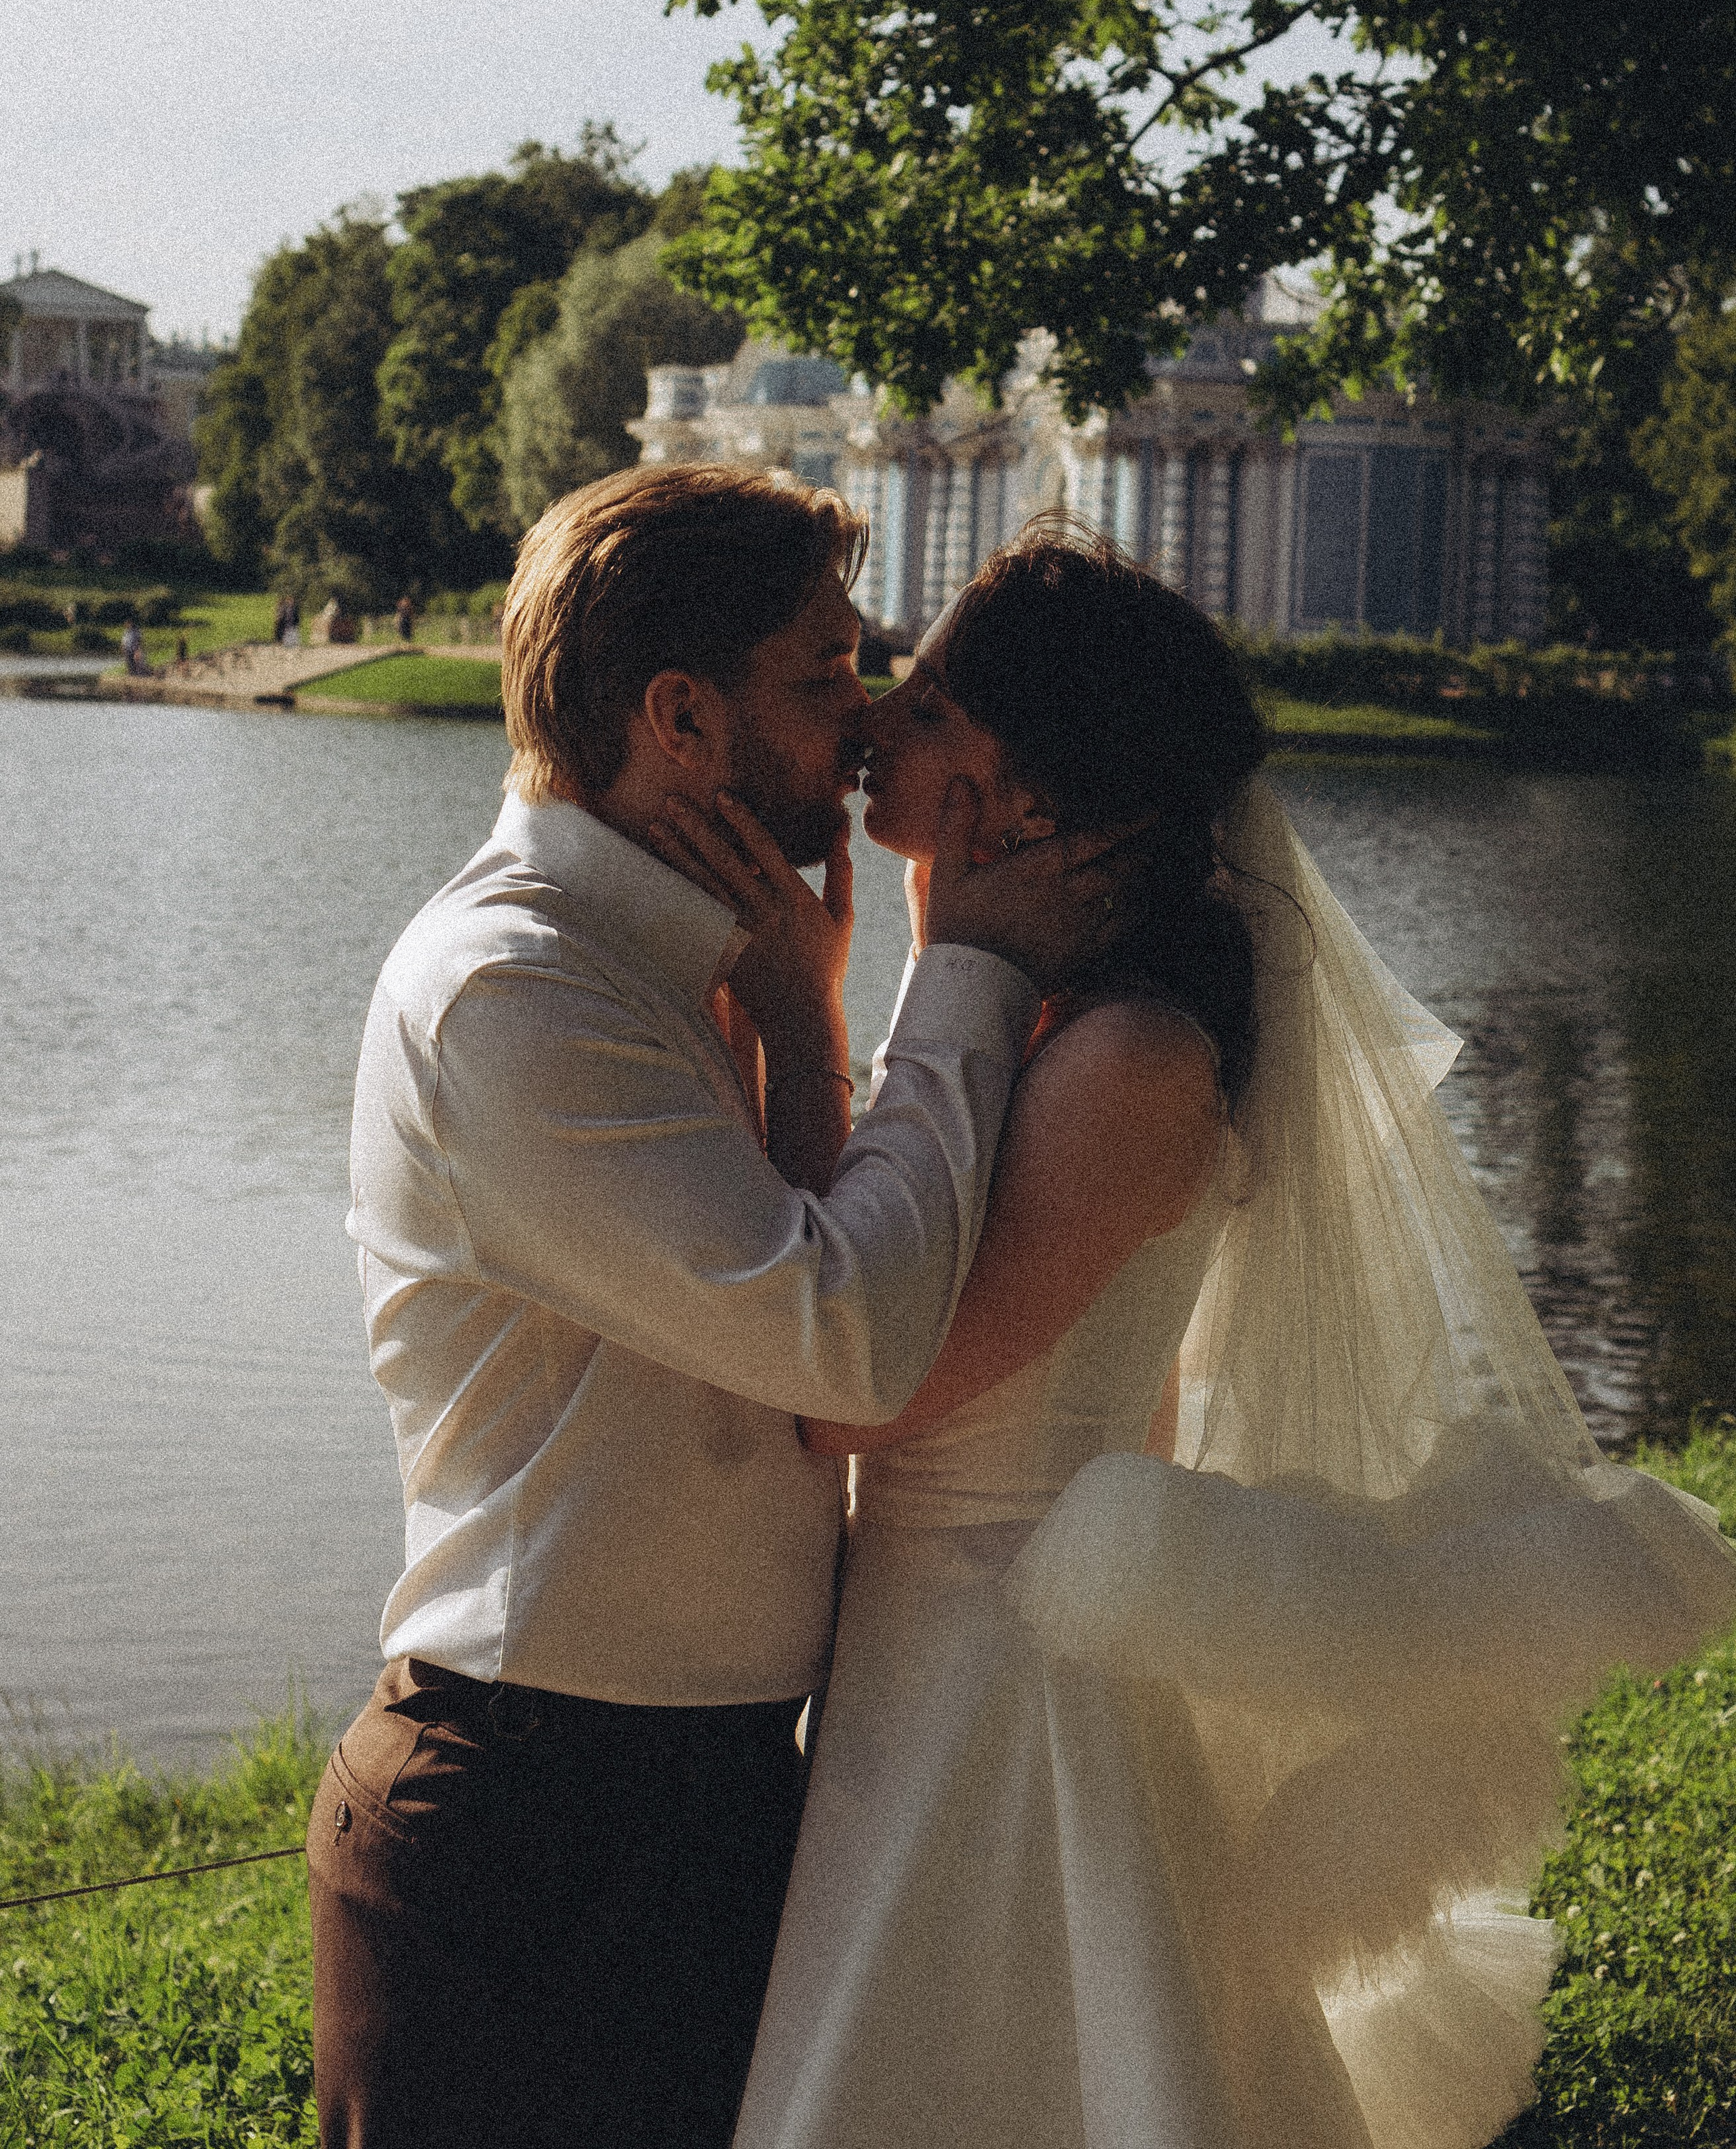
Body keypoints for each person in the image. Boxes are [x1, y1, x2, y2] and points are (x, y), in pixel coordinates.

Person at [658, 524, 1736, 2149]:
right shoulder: (1040, 1024)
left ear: (1030, 794)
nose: (881, 711)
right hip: (929, 1648)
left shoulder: (1125, 1065)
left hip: (1002, 1681)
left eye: (937, 702)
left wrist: (838, 1014)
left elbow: (847, 1400)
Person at [305, 469, 1129, 2149]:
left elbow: (817, 1318)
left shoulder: (695, 965)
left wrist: (807, 1010)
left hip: (703, 1803)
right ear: (679, 716)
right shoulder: (516, 994)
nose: (869, 718)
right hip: (533, 1834)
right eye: (826, 671)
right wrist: (959, 966)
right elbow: (847, 1340)